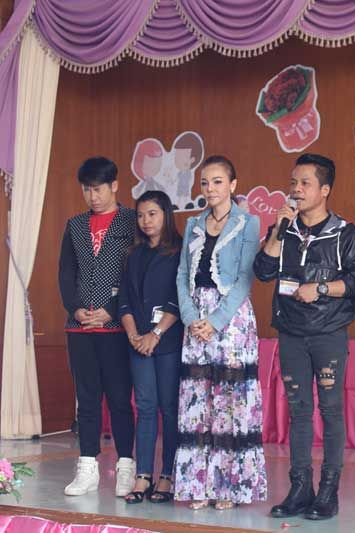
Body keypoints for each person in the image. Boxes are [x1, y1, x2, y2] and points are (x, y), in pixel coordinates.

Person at [254, 153, 355, 520]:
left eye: (305, 183)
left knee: (331, 411)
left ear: (325, 190)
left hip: (328, 333)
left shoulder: (343, 233)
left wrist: (320, 288)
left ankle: (328, 492)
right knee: (299, 412)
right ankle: (300, 488)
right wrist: (278, 231)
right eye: (293, 183)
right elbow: (262, 271)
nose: (296, 190)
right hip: (290, 333)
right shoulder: (284, 230)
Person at [174, 155, 267, 510]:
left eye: (217, 181)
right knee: (198, 400)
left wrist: (214, 321)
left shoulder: (248, 223)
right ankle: (198, 483)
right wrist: (190, 317)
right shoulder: (193, 224)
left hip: (231, 319)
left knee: (230, 401)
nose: (210, 189)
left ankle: (229, 486)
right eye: (204, 183)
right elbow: (182, 274)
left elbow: (245, 278)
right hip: (195, 318)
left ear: (232, 185)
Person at [58, 157, 137, 497]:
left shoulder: (132, 221)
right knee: (87, 400)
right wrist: (75, 309)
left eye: (99, 189)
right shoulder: (75, 225)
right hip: (79, 329)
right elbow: (66, 273)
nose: (93, 196)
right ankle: (87, 467)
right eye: (87, 190)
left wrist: (111, 311)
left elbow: (135, 275)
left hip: (117, 328)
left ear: (114, 185)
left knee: (119, 399)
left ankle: (126, 467)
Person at [118, 190, 183, 504]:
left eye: (152, 214)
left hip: (168, 341)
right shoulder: (134, 254)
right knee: (144, 407)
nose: (146, 221)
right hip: (138, 343)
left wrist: (155, 334)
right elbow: (124, 300)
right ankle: (143, 476)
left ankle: (167, 475)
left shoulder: (180, 251)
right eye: (141, 215)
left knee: (169, 409)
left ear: (166, 215)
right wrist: (134, 335)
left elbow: (179, 299)